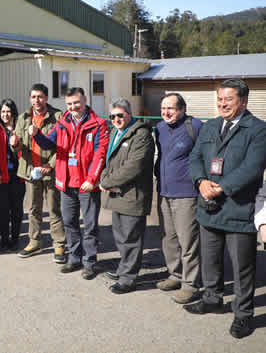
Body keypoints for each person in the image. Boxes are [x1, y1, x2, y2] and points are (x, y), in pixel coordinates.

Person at [185, 79, 266, 339]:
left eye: (228, 99)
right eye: (219, 99)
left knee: (243, 267)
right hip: (208, 206)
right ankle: (212, 298)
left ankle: (243, 315)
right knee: (210, 259)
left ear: (243, 101)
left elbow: (252, 168)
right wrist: (200, 182)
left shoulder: (258, 129)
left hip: (238, 209)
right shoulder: (209, 127)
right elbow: (195, 157)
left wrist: (219, 187)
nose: (222, 104)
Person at [31, 87, 109, 280]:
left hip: (86, 185)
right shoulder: (63, 122)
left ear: (84, 101)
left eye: (76, 103)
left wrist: (92, 180)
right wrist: (36, 134)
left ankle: (89, 262)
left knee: (90, 225)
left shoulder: (98, 124)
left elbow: (100, 154)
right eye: (69, 104)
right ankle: (74, 258)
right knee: (69, 222)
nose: (73, 107)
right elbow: (50, 144)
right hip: (66, 183)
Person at [98, 99, 154, 294]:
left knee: (131, 238)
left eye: (120, 115)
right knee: (121, 237)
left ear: (129, 114)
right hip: (118, 194)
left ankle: (128, 279)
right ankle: (124, 270)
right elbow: (109, 160)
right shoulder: (116, 132)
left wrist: (107, 182)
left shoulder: (141, 135)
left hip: (132, 195)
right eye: (112, 116)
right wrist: (105, 178)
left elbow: (134, 166)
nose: (116, 119)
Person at [154, 93, 203, 304]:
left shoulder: (197, 126)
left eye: (171, 108)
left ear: (182, 109)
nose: (166, 112)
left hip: (186, 195)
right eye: (163, 108)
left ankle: (191, 285)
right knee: (169, 238)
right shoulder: (159, 128)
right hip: (164, 191)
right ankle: (175, 275)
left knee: (188, 241)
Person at [11, 83, 66, 261]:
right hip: (30, 171)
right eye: (33, 97)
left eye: (40, 96)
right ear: (30, 99)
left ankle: (59, 245)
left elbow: (63, 146)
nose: (37, 100)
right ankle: (34, 242)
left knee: (54, 209)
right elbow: (20, 146)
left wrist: (50, 164)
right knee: (33, 209)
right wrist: (14, 144)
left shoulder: (58, 116)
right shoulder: (23, 118)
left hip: (50, 172)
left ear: (46, 98)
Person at [0, 99, 25, 251]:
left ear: (13, 112)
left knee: (17, 210)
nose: (5, 114)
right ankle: (4, 239)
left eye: (8, 111)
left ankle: (15, 239)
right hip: (0, 176)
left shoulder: (20, 128)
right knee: (3, 210)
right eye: (3, 111)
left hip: (18, 175)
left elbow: (27, 150)